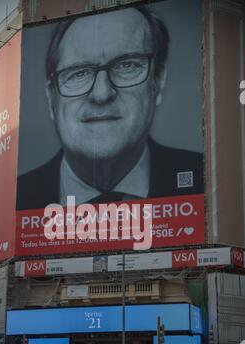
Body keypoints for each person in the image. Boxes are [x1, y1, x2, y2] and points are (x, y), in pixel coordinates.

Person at [17, 5, 203, 210]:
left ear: (158, 81)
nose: (101, 94)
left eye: (127, 65)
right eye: (78, 73)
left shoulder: (209, 180)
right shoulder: (12, 203)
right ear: (52, 98)